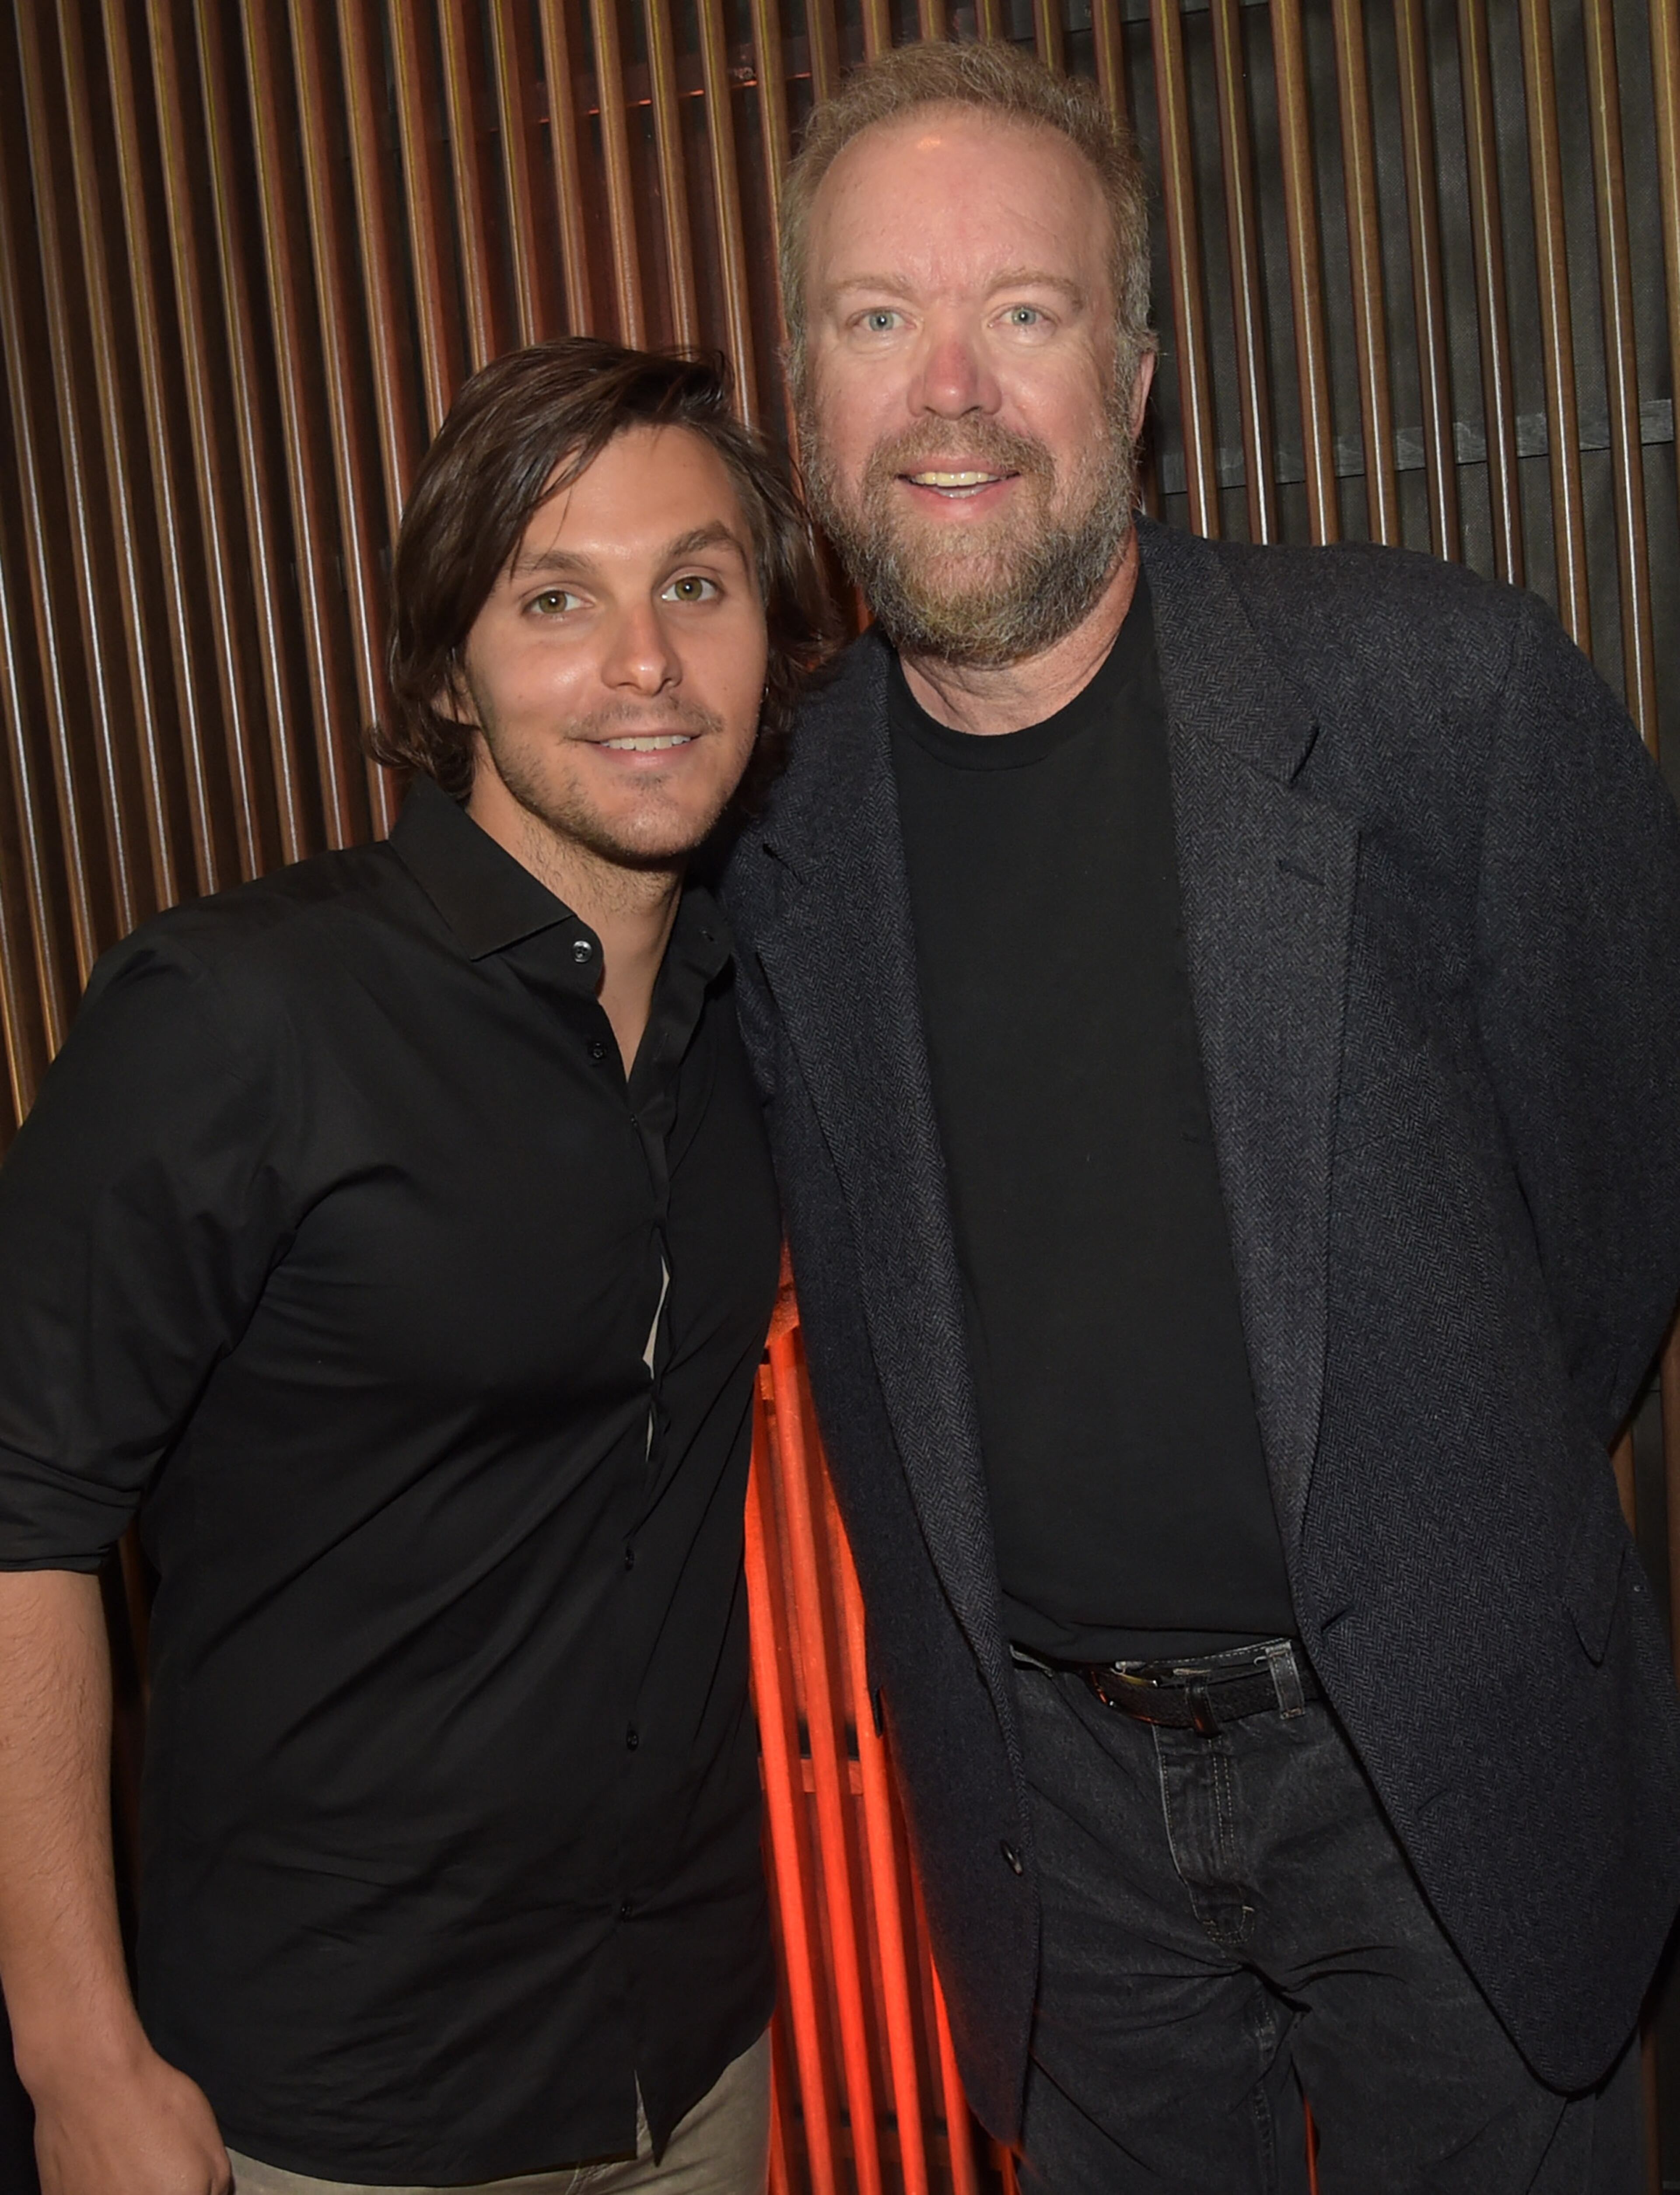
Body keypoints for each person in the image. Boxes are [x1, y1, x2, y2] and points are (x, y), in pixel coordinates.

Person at [722, 39, 1680, 2194]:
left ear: (1135, 373)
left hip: (1448, 1773)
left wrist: (1443, 1519)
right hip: (1052, 1831)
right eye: (882, 318)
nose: (951, 388)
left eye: (1025, 313)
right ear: (806, 391)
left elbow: (1623, 1197)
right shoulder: (770, 838)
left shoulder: (1446, 698)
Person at [0, 337, 831, 2195]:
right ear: (450, 667)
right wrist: (77, 2059)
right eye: (558, 598)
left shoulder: (751, 1020)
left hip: (694, 2063)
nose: (644, 664)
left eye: (697, 586)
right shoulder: (238, 1015)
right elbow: (17, 1515)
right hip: (331, 2111)